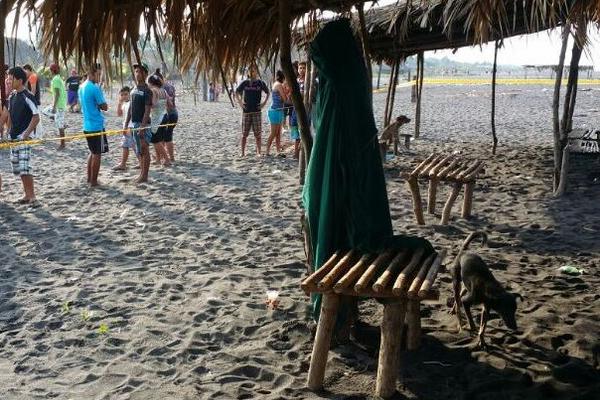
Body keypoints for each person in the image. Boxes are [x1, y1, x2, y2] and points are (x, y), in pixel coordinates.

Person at [5, 66, 40, 205]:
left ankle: (33, 197)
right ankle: (26, 195)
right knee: (18, 168)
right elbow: (10, 115)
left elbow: (36, 117)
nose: (8, 80)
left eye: (11, 77)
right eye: (8, 77)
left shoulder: (27, 96)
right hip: (13, 138)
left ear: (19, 80)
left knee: (25, 167)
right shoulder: (12, 96)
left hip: (23, 138)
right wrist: (8, 131)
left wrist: (26, 134)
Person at [79, 63, 108, 187]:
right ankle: (94, 181)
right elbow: (105, 106)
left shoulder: (81, 87)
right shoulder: (94, 87)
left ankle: (90, 179)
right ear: (91, 73)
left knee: (92, 152)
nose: (99, 77)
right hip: (96, 125)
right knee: (97, 154)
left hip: (86, 124)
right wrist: (99, 104)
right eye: (98, 74)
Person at [125, 63, 153, 183]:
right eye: (136, 71)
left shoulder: (147, 91)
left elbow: (147, 110)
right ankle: (141, 173)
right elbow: (131, 108)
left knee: (144, 148)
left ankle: (144, 175)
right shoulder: (134, 89)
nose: (137, 74)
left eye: (140, 71)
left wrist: (142, 126)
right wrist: (126, 124)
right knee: (139, 150)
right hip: (134, 123)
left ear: (145, 74)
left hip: (143, 124)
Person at [235, 64, 269, 157]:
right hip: (246, 111)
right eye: (250, 71)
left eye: (254, 70)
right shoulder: (245, 83)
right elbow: (237, 92)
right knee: (244, 134)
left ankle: (258, 152)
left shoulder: (260, 83)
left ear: (257, 72)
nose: (252, 72)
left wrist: (264, 103)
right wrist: (241, 103)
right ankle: (242, 152)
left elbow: (268, 92)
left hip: (257, 111)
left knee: (257, 134)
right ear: (248, 73)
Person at [147, 73, 171, 167]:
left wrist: (147, 104)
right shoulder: (163, 90)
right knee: (160, 140)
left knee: (155, 141)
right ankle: (158, 159)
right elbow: (169, 103)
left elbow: (153, 104)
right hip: (164, 115)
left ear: (151, 82)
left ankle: (167, 159)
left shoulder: (153, 90)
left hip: (157, 117)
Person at [113, 86, 139, 171]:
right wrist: (119, 103)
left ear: (129, 93)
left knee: (135, 146)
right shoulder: (124, 103)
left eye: (126, 94)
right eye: (122, 95)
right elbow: (119, 114)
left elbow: (132, 116)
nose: (124, 96)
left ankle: (141, 162)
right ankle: (123, 164)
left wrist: (128, 128)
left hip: (131, 127)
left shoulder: (132, 102)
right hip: (125, 127)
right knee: (125, 146)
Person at [156, 69, 178, 163]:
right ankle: (165, 157)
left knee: (166, 137)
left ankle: (169, 158)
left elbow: (167, 103)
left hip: (168, 114)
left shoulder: (162, 88)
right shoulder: (170, 86)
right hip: (173, 113)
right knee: (166, 136)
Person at [265, 70, 287, 156]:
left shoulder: (278, 84)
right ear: (283, 77)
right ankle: (267, 150)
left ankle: (278, 151)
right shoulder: (278, 85)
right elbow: (284, 99)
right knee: (274, 133)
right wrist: (287, 91)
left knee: (278, 134)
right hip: (274, 111)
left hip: (279, 111)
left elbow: (283, 99)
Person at [49, 63, 67, 149]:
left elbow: (57, 94)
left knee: (60, 125)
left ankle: (62, 144)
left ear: (52, 71)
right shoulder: (59, 78)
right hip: (62, 104)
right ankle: (61, 123)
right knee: (46, 112)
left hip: (59, 105)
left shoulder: (55, 79)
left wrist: (54, 107)